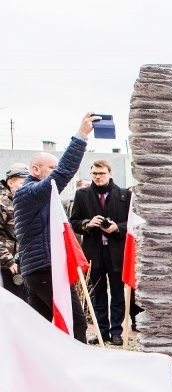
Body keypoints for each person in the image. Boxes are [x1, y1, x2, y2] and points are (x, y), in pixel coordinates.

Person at [13, 113, 98, 343]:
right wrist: (81, 136)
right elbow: (63, 175)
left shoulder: (37, 195)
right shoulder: (28, 193)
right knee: (75, 322)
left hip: (39, 269)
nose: (56, 170)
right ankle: (75, 370)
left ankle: (39, 373)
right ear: (35, 170)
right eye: (51, 167)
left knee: (40, 327)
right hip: (43, 269)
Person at [70, 160, 131, 346]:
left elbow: (133, 224)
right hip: (93, 252)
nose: (98, 177)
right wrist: (87, 224)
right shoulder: (82, 195)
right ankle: (102, 331)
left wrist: (117, 228)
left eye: (101, 173)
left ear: (110, 173)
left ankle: (117, 332)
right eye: (94, 173)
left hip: (116, 252)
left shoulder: (124, 195)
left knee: (118, 294)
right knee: (98, 293)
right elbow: (73, 222)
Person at [0, 164, 28, 300]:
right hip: (7, 264)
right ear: (10, 182)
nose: (26, 185)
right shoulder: (2, 203)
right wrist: (8, 260)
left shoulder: (25, 200)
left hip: (25, 261)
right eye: (23, 182)